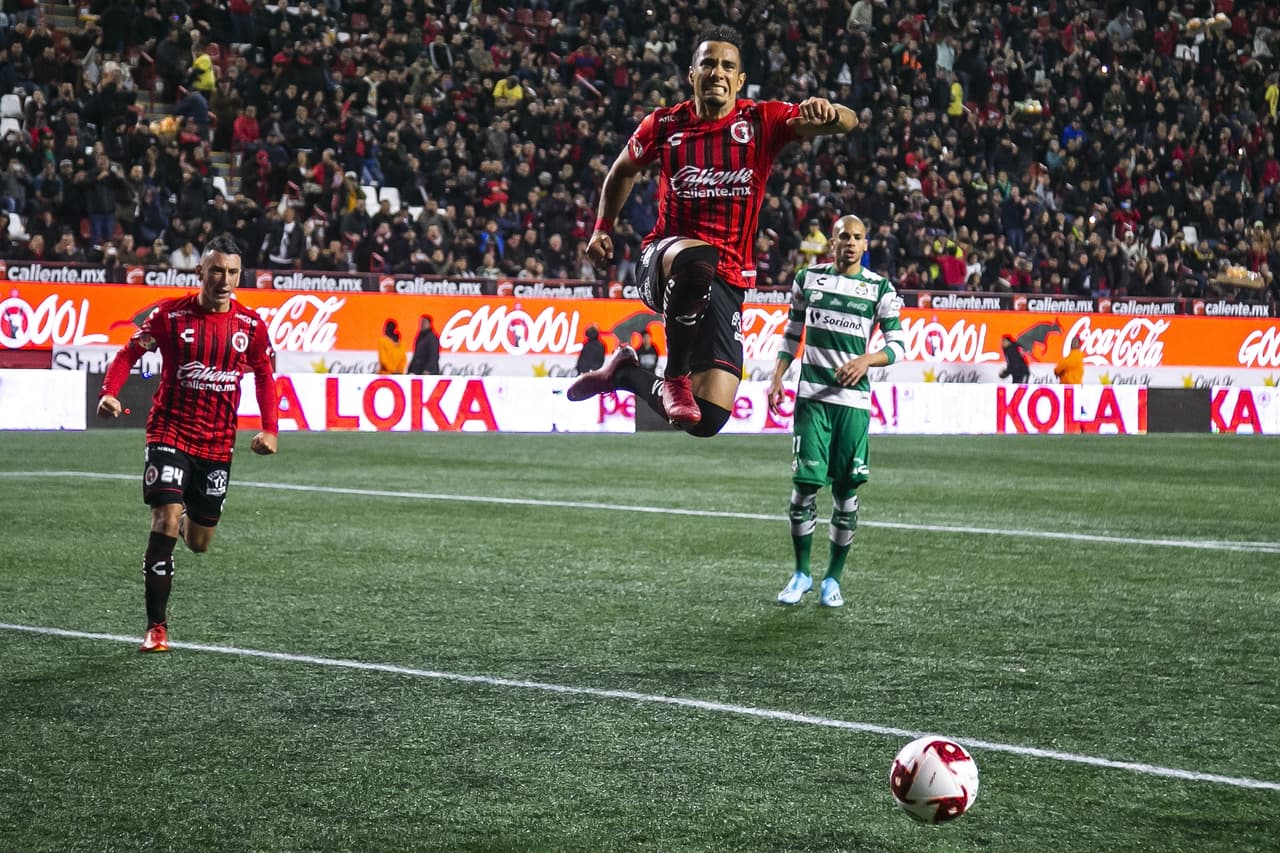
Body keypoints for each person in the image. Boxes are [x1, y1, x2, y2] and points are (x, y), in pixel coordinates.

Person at [568, 25, 857, 436]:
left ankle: (625, 374)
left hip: (727, 278)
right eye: (708, 63)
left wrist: (830, 112)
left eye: (727, 66)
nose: (717, 72)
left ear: (740, 80)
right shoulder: (664, 124)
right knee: (697, 257)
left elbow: (848, 122)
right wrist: (601, 228)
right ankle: (675, 376)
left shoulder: (762, 121)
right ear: (692, 75)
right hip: (663, 262)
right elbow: (621, 171)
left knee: (707, 417)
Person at [96, 234, 280, 653]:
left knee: (198, 542)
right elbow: (129, 354)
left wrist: (270, 428)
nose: (225, 279)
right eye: (217, 270)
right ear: (201, 272)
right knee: (162, 521)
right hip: (170, 431)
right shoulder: (170, 316)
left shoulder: (249, 326)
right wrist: (111, 390)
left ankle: (183, 520)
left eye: (233, 271)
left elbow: (265, 377)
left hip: (216, 444)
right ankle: (156, 628)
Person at [767, 215, 905, 607]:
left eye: (858, 237)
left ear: (866, 245)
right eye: (844, 236)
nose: (850, 243)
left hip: (854, 404)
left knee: (845, 493)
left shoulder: (880, 289)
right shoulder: (807, 280)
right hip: (811, 400)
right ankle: (801, 574)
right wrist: (777, 376)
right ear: (832, 242)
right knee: (804, 489)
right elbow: (793, 332)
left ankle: (832, 579)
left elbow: (897, 345)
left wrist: (866, 361)